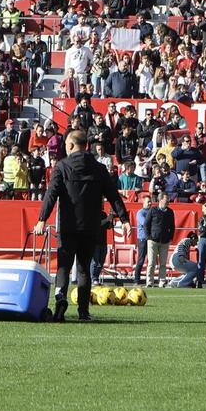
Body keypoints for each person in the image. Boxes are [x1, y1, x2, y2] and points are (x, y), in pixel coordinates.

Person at [33, 129, 128, 322]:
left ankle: (60, 297)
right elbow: (114, 195)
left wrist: (42, 219)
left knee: (63, 267)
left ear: (70, 146)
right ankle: (83, 312)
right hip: (91, 227)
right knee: (84, 268)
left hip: (67, 226)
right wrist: (124, 219)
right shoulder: (100, 169)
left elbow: (51, 195)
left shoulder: (62, 167)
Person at [143, 192, 174, 287]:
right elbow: (146, 224)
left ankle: (162, 282)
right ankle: (149, 282)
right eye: (166, 199)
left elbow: (172, 226)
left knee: (163, 263)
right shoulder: (152, 210)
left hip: (165, 241)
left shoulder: (170, 212)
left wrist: (170, 237)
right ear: (160, 200)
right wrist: (148, 237)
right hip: (153, 240)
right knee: (151, 262)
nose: (168, 201)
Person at [131, 199, 151, 285]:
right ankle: (136, 279)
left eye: (150, 201)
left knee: (151, 260)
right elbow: (144, 223)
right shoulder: (140, 213)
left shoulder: (151, 211)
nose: (149, 203)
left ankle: (149, 280)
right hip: (142, 238)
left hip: (150, 238)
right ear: (143, 202)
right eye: (148, 201)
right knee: (141, 259)